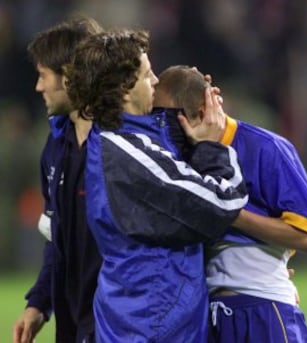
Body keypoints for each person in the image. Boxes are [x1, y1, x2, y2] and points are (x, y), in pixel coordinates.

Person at [65, 29, 249, 343]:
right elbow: (223, 201)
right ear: (124, 88)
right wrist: (211, 146)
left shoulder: (122, 141)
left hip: (145, 316)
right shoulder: (127, 154)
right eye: (148, 74)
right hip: (153, 323)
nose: (154, 82)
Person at [152, 65, 307, 343]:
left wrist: (227, 211)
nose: (159, 125)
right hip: (207, 315)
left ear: (198, 111)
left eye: (166, 116)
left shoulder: (267, 147)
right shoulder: (173, 158)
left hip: (264, 309)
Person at [12, 17, 104, 343]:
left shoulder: (123, 147)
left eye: (43, 76)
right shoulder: (55, 147)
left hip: (121, 324)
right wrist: (39, 302)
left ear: (70, 77)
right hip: (75, 324)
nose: (38, 87)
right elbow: (57, 233)